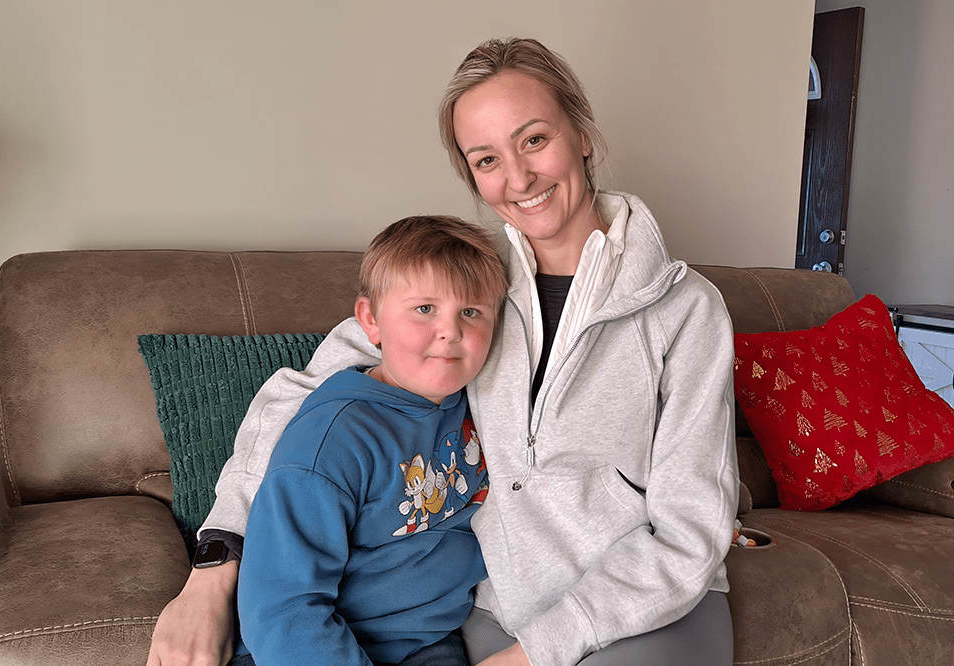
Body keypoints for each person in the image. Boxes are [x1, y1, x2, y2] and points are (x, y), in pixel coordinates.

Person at [147, 37, 738, 666]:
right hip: (500, 606)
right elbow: (302, 399)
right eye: (486, 159)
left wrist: (537, 653)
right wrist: (214, 570)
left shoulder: (686, 311)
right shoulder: (464, 286)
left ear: (582, 135)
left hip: (640, 606)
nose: (518, 178)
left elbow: (688, 531)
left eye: (534, 140)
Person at [233, 215, 507, 666]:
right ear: (370, 321)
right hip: (312, 646)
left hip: (428, 641)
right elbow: (281, 608)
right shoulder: (332, 442)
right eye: (424, 309)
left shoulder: (475, 405)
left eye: (471, 312)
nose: (451, 330)